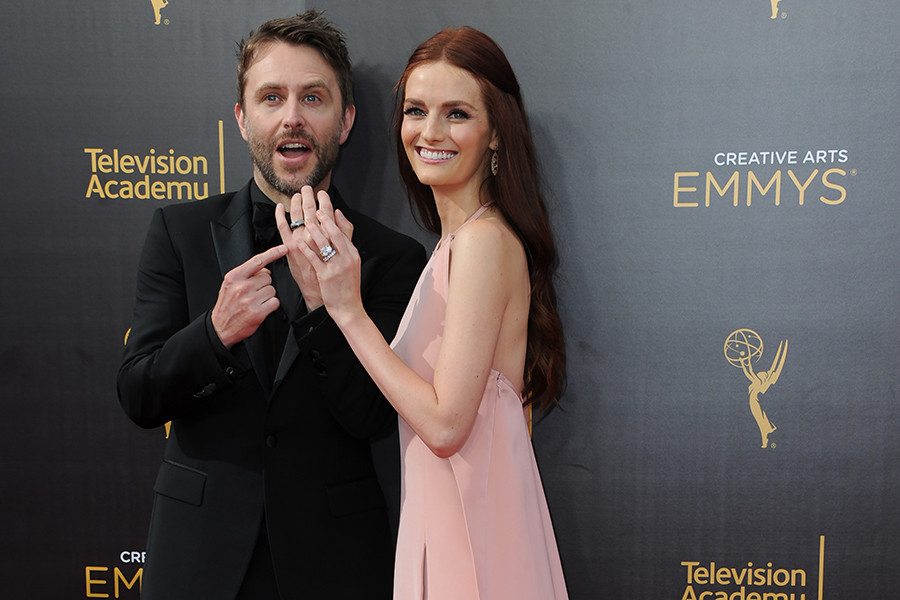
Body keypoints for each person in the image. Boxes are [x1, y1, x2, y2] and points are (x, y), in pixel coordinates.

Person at [117, 11, 426, 600]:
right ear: (242, 119)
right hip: (197, 558)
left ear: (346, 120)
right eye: (271, 97)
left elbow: (373, 418)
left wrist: (320, 311)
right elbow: (137, 393)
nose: (292, 117)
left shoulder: (393, 257)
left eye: (314, 97)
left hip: (334, 560)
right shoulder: (178, 232)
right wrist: (214, 333)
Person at [282, 26, 568, 599]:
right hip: (448, 526)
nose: (429, 133)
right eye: (416, 110)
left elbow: (443, 426)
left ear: (496, 135)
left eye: (456, 113)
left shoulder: (484, 243)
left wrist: (347, 308)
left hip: (473, 543)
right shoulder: (454, 244)